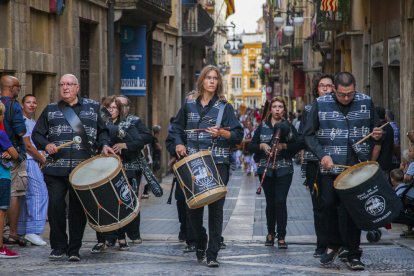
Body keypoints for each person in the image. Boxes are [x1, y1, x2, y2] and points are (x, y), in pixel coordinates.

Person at [303, 72, 383, 271]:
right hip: (330, 166)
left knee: (352, 211)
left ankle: (354, 254)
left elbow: (376, 129)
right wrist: (322, 155)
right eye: (342, 94)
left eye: (350, 94)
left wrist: (377, 133)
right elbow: (308, 134)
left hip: (356, 167)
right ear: (334, 90)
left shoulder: (366, 101)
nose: (346, 98)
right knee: (327, 205)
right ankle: (334, 243)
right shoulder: (320, 104)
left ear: (355, 88)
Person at [32, 74, 115, 262]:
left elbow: (104, 132)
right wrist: (46, 145)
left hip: (83, 170)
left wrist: (104, 145)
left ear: (77, 87)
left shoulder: (94, 108)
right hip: (55, 169)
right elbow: (37, 134)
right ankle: (58, 246)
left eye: (69, 84)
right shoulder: (50, 110)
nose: (65, 88)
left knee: (77, 209)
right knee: (55, 206)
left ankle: (74, 249)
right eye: (62, 84)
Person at [169, 65, 243, 267]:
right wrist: (178, 143)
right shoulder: (188, 105)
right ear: (201, 81)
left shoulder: (224, 107)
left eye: (215, 78)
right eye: (208, 78)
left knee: (216, 209)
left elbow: (238, 134)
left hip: (218, 163)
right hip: (193, 163)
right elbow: (175, 129)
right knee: (192, 208)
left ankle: (212, 253)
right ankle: (200, 241)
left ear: (218, 82)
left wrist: (222, 133)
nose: (212, 81)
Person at [91, 95, 152, 253]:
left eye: (115, 108)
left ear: (120, 110)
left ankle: (121, 237)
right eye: (109, 108)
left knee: (121, 203)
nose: (111, 111)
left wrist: (124, 144)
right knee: (101, 205)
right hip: (102, 169)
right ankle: (102, 240)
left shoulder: (128, 124)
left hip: (123, 168)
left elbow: (139, 141)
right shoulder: (99, 124)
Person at [248, 96, 300, 249]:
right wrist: (262, 146)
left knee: (280, 201)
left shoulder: (288, 126)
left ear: (284, 109)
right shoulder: (262, 126)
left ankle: (282, 235)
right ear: (270, 109)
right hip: (266, 170)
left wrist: (284, 147)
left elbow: (298, 144)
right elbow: (250, 146)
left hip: (284, 170)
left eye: (280, 107)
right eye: (275, 106)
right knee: (270, 202)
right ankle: (270, 233)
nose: (277, 109)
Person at [298, 73, 334, 258]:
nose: (326, 88)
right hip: (314, 163)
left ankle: (337, 243)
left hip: (337, 163)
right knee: (318, 206)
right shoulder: (309, 109)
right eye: (322, 86)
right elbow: (304, 136)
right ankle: (321, 245)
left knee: (334, 205)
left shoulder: (340, 109)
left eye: (329, 85)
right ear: (317, 90)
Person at [116, 94, 153, 243]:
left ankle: (134, 233)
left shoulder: (135, 121)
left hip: (132, 166)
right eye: (117, 105)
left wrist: (128, 144)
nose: (120, 108)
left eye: (123, 105)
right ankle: (114, 236)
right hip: (113, 167)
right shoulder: (107, 121)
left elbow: (147, 137)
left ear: (128, 107)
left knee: (130, 199)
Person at [17, 94, 48, 246]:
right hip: (29, 160)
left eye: (34, 102)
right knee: (39, 193)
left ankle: (23, 229)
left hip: (32, 160)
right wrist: (41, 158)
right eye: (28, 102)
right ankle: (33, 230)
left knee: (26, 196)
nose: (32, 105)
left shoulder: (33, 122)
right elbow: (27, 146)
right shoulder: (22, 121)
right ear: (22, 104)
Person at [0, 75, 27, 247]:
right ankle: (12, 233)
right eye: (18, 86)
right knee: (14, 193)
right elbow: (21, 132)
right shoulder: (14, 106)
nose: (19, 90)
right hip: (11, 153)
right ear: (12, 88)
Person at [0, 102, 20, 258]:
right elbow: (15, 154)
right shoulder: (1, 134)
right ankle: (0, 247)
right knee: (1, 212)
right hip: (2, 176)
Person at [372, 106, 394, 181]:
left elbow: (377, 148)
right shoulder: (389, 126)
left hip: (379, 165)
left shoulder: (379, 129)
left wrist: (371, 163)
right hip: (386, 163)